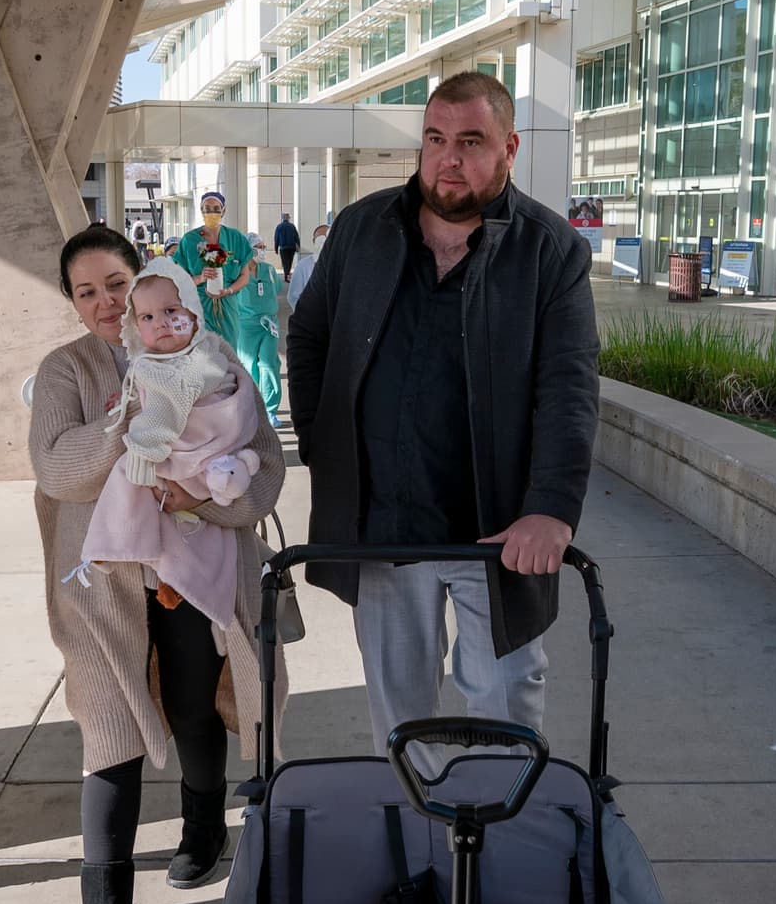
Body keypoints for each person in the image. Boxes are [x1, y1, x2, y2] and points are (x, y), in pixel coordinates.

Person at [288, 70, 599, 769]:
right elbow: (309, 337)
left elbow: (569, 388)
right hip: (383, 528)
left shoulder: (551, 252)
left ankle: (500, 863)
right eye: (434, 139)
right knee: (400, 720)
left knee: (507, 703)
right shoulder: (362, 231)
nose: (447, 158)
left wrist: (549, 508)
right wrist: (322, 444)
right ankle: (418, 859)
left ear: (509, 147)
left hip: (496, 531)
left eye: (470, 141)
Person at [30, 229, 284, 904]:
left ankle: (204, 826)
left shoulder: (209, 352)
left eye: (117, 284)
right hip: (104, 587)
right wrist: (134, 419)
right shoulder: (65, 370)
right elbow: (57, 470)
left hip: (194, 570)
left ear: (146, 284)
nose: (108, 305)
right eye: (88, 293)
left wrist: (206, 497)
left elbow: (263, 464)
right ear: (74, 303)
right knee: (108, 740)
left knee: (194, 706)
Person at [79, 257, 264, 624]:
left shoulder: (196, 361)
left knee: (128, 475)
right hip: (203, 470)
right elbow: (55, 469)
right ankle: (169, 576)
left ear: (193, 313)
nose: (160, 323)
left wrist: (143, 448)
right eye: (146, 318)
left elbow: (169, 406)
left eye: (171, 311)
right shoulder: (149, 362)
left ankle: (113, 545)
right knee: (185, 527)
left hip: (203, 456)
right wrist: (131, 404)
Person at [172, 190, 254, 348]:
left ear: (223, 211)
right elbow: (178, 279)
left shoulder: (235, 238)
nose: (212, 213)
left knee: (229, 351)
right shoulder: (190, 240)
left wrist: (229, 290)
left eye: (216, 209)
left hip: (228, 307)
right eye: (207, 209)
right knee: (203, 353)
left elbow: (244, 276)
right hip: (199, 304)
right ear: (201, 211)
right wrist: (200, 278)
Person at [231, 235, 283, 425]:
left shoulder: (268, 270)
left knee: (270, 363)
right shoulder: (237, 272)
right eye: (258, 247)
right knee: (248, 364)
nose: (262, 250)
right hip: (246, 325)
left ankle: (270, 409)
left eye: (263, 246)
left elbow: (276, 289)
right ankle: (252, 407)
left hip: (269, 324)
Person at [287, 224, 327, 306]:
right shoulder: (303, 266)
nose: (323, 243)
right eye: (320, 240)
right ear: (313, 241)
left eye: (327, 239)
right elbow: (293, 296)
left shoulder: (342, 265)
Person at [273, 211, 300, 283]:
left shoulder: (279, 226)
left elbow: (276, 238)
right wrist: (298, 246)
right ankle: (287, 276)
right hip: (292, 247)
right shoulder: (292, 226)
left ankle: (286, 276)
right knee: (289, 262)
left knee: (285, 263)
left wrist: (276, 248)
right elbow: (296, 237)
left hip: (283, 248)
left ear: (282, 218)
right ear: (288, 218)